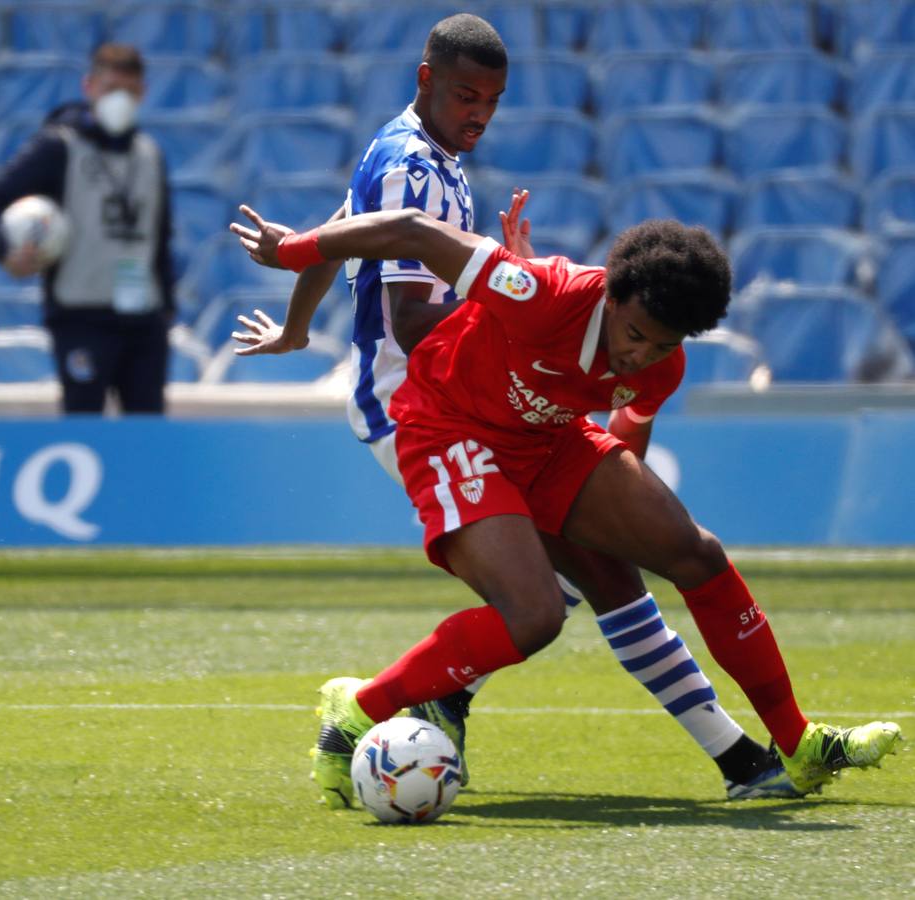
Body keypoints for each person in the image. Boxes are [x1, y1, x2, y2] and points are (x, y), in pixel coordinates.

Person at [233, 14, 795, 804]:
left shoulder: (413, 153)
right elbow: (410, 317)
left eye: (492, 101)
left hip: (480, 400)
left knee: (599, 575)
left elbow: (339, 230)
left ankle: (742, 760)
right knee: (560, 594)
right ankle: (388, 704)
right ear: (425, 79)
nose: (479, 115)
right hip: (422, 402)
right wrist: (512, 297)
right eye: (466, 96)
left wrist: (299, 329)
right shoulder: (415, 167)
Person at [231, 202, 904, 806]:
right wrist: (291, 251)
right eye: (635, 332)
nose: (638, 354)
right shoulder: (541, 291)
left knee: (695, 555)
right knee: (535, 617)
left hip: (547, 441)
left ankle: (797, 745)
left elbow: (626, 441)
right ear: (613, 296)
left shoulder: (658, 366)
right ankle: (358, 706)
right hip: (449, 425)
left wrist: (614, 522)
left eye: (662, 344)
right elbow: (410, 230)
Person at [0, 43, 174, 415]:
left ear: (143, 92)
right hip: (81, 316)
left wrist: (167, 310)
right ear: (89, 87)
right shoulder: (59, 146)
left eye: (130, 91)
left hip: (143, 319)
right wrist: (3, 248)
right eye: (111, 89)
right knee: (84, 427)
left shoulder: (150, 154)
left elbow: (159, 237)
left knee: (149, 435)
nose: (121, 99)